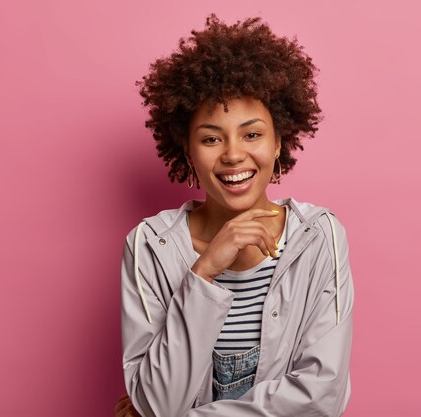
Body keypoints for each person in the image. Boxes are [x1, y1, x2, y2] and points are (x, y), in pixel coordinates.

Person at [116, 14, 355, 417]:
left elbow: (321, 396)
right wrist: (203, 273)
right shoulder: (149, 247)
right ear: (188, 151)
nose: (232, 154)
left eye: (252, 134)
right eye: (211, 138)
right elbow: (156, 402)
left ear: (279, 142)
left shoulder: (317, 237)